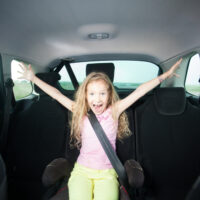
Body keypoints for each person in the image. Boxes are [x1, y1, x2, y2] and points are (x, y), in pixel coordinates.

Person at [18, 58, 182, 200]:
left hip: (107, 174)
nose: (97, 99)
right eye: (92, 94)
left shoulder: (115, 111)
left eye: (102, 93)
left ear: (110, 95)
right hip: (82, 172)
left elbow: (140, 91)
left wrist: (164, 76)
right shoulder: (80, 111)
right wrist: (33, 78)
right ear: (85, 95)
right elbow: (56, 94)